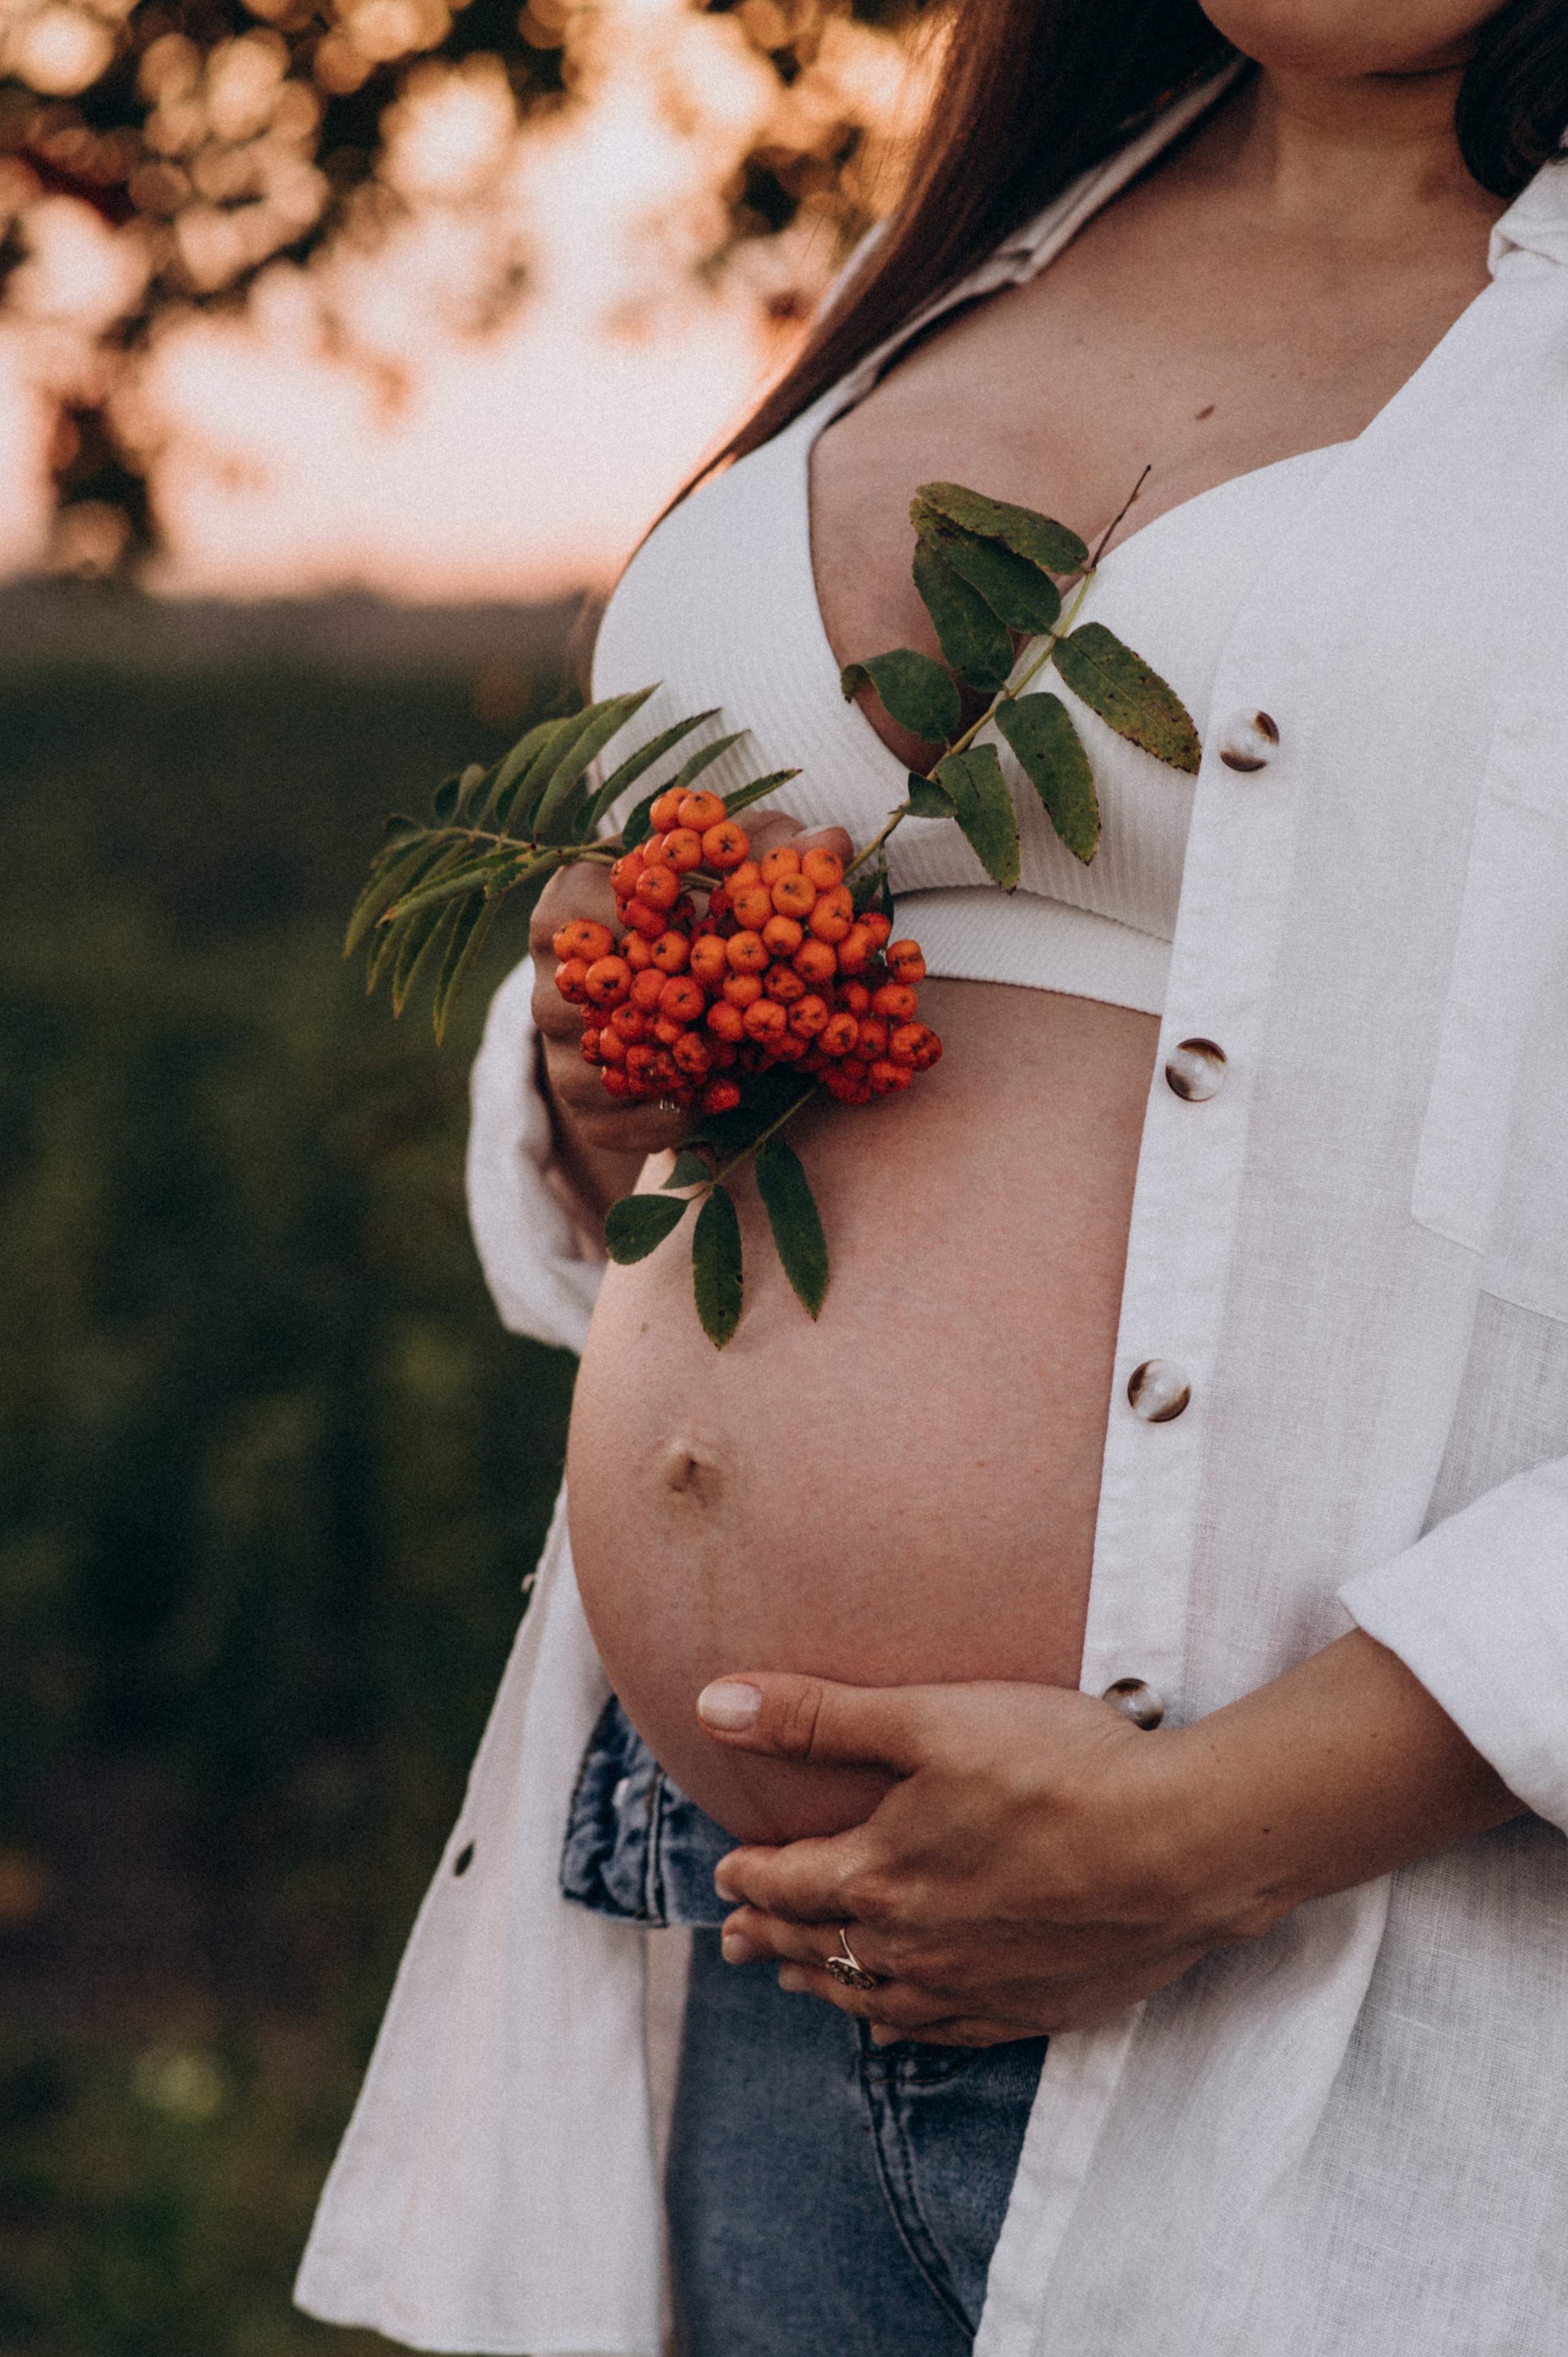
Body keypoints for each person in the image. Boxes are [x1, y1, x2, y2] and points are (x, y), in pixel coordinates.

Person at [296, 3, 1568, 2351]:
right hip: (754, 1931)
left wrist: (1222, 1831)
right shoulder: (1007, 236)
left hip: (1329, 1983)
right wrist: (596, 1088)